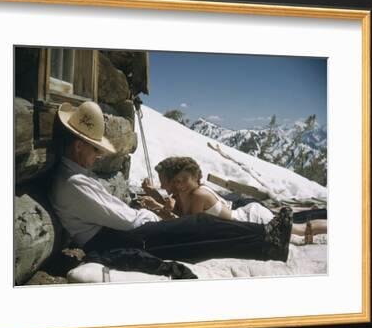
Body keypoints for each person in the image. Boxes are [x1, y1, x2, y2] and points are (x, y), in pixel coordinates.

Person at [49, 101, 293, 263]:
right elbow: (124, 220)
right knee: (198, 227)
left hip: (113, 235)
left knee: (197, 230)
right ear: (79, 146)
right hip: (114, 240)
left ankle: (264, 240)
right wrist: (152, 216)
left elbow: (114, 214)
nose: (98, 155)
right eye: (95, 149)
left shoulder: (73, 177)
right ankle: (264, 241)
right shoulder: (73, 183)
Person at [143, 156, 327, 238]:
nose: (164, 185)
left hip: (252, 218)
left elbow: (187, 226)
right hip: (244, 216)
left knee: (302, 230)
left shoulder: (199, 194)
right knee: (296, 224)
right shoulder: (184, 193)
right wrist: (157, 200)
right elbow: (180, 215)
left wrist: (159, 209)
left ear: (186, 179)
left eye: (182, 180)